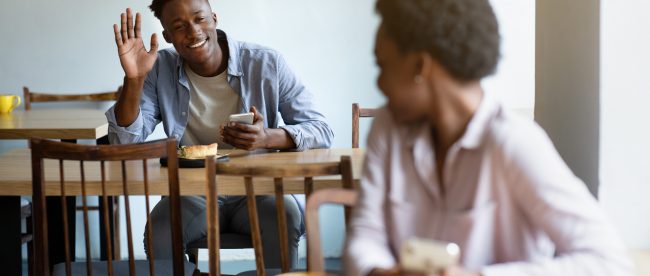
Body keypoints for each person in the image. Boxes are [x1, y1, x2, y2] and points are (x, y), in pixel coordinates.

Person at [344, 0, 633, 275]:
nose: (379, 83)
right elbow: (365, 236)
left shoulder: (513, 143)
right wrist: (380, 273)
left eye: (383, 66)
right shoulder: (388, 129)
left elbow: (609, 264)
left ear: (421, 66)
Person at [107, 0, 333, 268]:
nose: (193, 32)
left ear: (214, 18)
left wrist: (267, 138)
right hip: (191, 192)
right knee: (160, 231)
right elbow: (123, 143)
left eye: (200, 19)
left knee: (284, 218)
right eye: (179, 27)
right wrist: (134, 80)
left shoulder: (265, 63)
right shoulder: (159, 68)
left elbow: (320, 129)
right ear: (167, 35)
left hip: (259, 189)